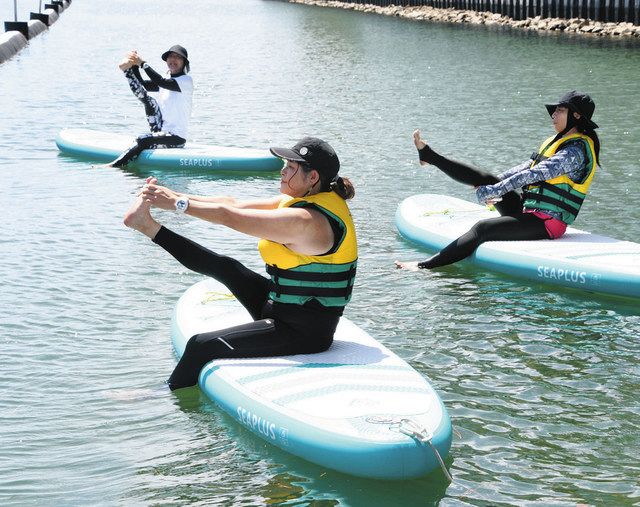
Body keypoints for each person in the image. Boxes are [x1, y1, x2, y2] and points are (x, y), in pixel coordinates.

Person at [123, 137, 357, 391]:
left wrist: (178, 205)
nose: (282, 170)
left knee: (201, 345)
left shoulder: (306, 221)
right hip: (279, 306)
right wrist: (171, 195)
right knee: (226, 268)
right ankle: (145, 225)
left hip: (303, 332)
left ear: (312, 178)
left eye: (290, 167)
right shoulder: (308, 200)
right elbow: (231, 203)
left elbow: (229, 217)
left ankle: (156, 395)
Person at [396, 90, 600, 271]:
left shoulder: (575, 152)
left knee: (483, 228)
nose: (554, 115)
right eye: (555, 110)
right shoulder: (556, 142)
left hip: (547, 223)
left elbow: (533, 174)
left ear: (576, 116)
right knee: (486, 178)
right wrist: (492, 185)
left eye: (560, 111)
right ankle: (430, 156)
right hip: (528, 212)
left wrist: (494, 191)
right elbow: (523, 168)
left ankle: (423, 266)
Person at [105, 45, 194, 168]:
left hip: (176, 138)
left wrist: (142, 63)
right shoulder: (167, 77)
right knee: (148, 101)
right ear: (167, 60)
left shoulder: (186, 81)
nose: (173, 60)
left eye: (178, 57)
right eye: (171, 57)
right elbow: (144, 85)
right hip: (160, 129)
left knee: (142, 140)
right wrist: (135, 65)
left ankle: (115, 165)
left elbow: (161, 82)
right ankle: (127, 70)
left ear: (184, 62)